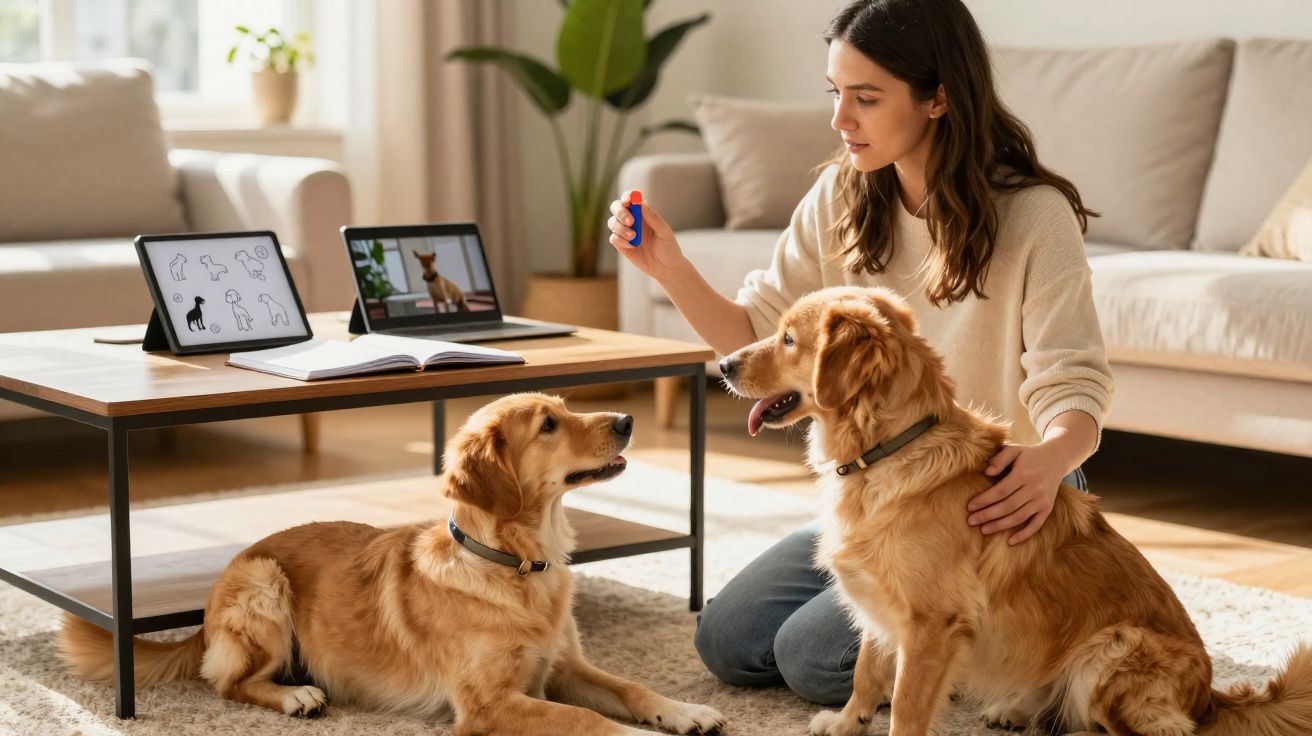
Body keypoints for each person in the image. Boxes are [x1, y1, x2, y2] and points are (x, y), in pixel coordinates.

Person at [606, 0, 1114, 706]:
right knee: (729, 639)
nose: (840, 120)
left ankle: (982, 646)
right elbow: (754, 332)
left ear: (939, 98)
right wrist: (668, 267)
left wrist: (1051, 461)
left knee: (810, 659)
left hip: (1000, 493)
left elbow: (1074, 380)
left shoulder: (1033, 215)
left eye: (866, 98)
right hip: (882, 488)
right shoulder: (840, 195)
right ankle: (953, 639)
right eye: (835, 93)